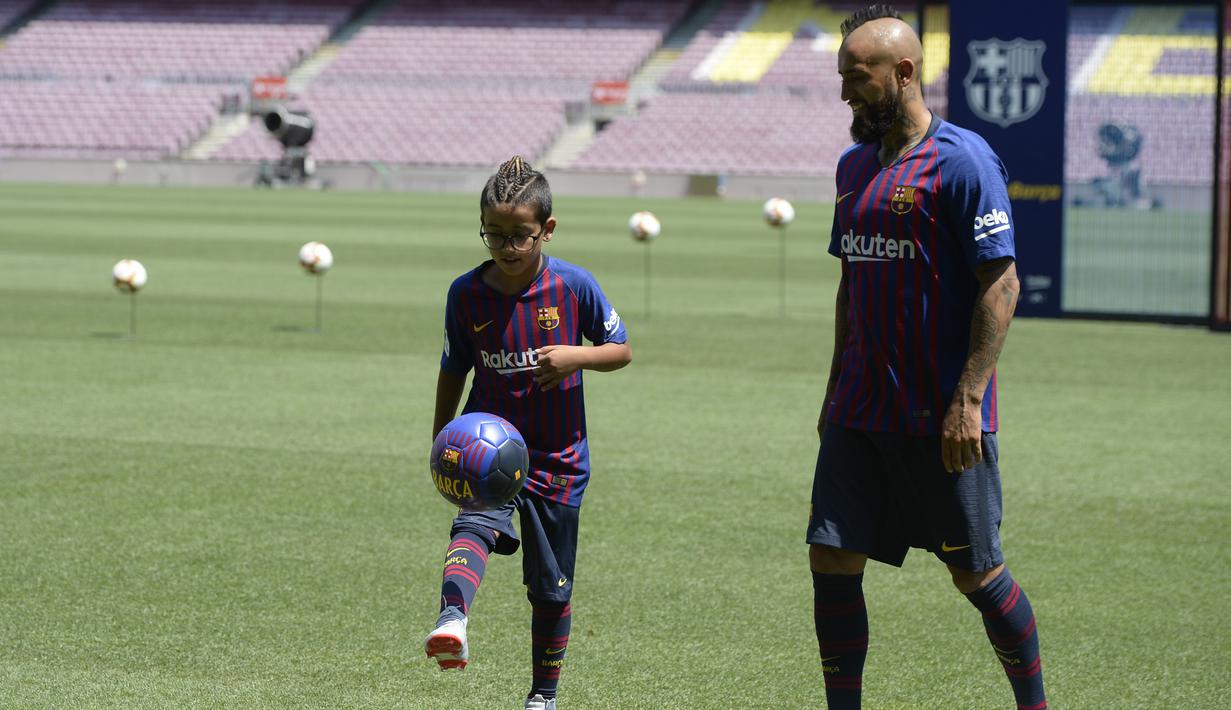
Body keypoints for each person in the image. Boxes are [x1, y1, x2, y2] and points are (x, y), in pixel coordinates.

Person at [808, 6, 1046, 710]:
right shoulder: (852, 168)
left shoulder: (962, 160)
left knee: (977, 575)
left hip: (939, 414)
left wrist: (967, 399)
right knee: (830, 557)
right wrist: (830, 394)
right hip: (857, 411)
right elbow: (850, 283)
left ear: (902, 71)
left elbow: (999, 283)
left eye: (856, 77)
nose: (845, 92)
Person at [425, 156, 632, 710]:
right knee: (473, 521)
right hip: (485, 445)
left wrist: (575, 357)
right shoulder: (465, 294)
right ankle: (452, 618)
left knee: (550, 585)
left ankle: (543, 695)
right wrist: (441, 437)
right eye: (494, 234)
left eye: (520, 235)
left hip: (559, 456)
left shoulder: (573, 285)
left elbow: (622, 350)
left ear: (548, 229)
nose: (507, 246)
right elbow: (453, 369)